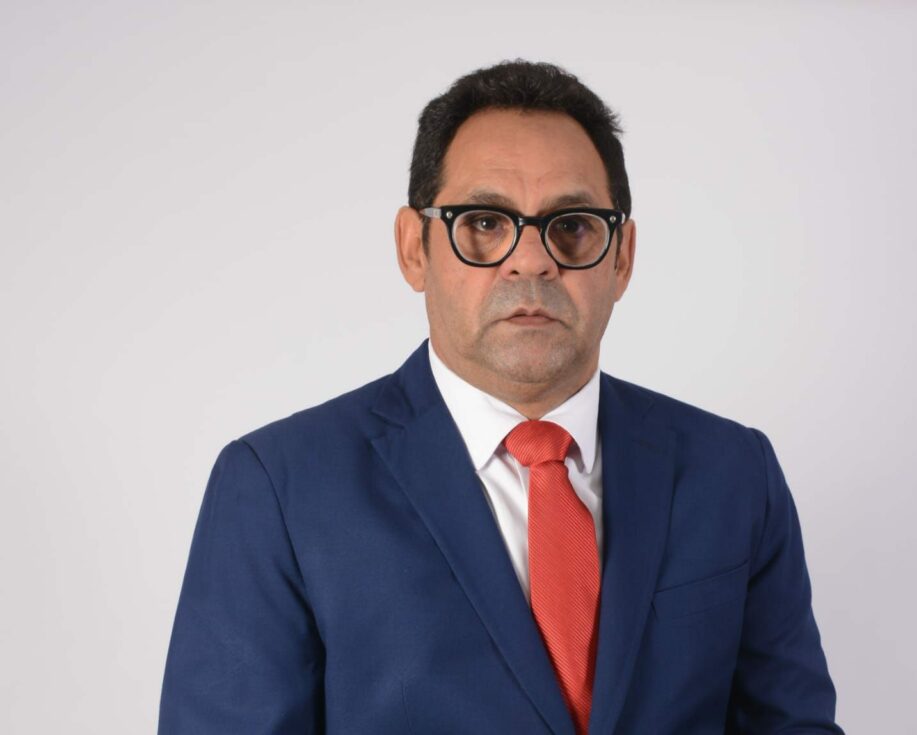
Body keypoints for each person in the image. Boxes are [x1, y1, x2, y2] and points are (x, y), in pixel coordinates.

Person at [159, 60, 843, 734]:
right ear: (414, 248)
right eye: (484, 223)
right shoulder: (279, 488)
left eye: (572, 224)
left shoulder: (734, 472)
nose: (532, 259)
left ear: (622, 256)